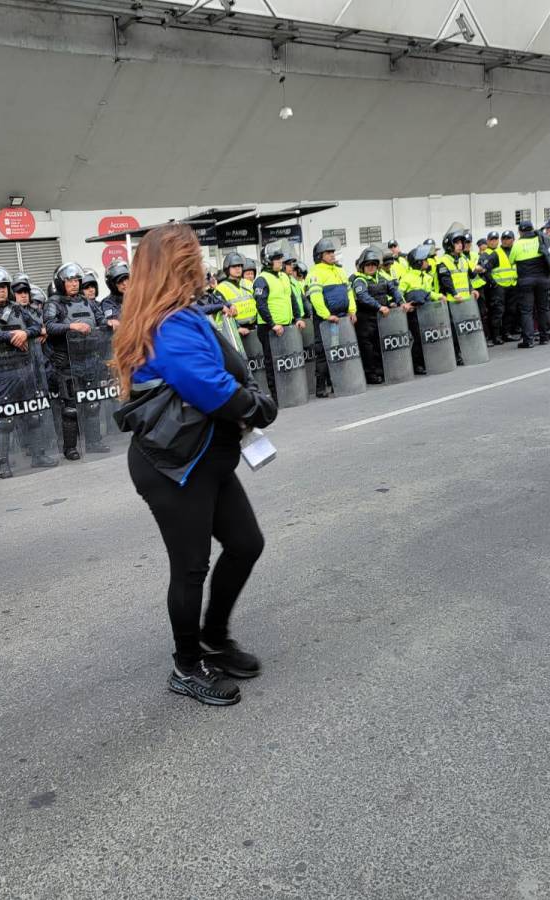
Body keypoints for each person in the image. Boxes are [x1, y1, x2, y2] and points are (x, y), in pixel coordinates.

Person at [111, 224, 275, 706]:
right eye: (195, 259)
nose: (202, 266)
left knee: (246, 543)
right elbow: (207, 385)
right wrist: (253, 406)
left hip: (202, 459)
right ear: (177, 266)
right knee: (189, 568)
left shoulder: (176, 315)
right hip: (175, 466)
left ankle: (213, 637)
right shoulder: (166, 324)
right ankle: (187, 666)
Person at [0, 267, 58, 476]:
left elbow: (38, 328)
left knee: (33, 415)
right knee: (3, 421)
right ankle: (3, 464)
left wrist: (24, 332)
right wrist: (11, 335)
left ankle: (38, 456)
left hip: (23, 371)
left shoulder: (18, 309)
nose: (2, 291)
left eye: (4, 287)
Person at [43, 262, 110, 460]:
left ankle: (94, 441)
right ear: (61, 282)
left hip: (89, 359)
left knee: (92, 404)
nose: (74, 284)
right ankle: (70, 447)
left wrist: (109, 322)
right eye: (69, 280)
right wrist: (72, 326)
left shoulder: (87, 301)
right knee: (70, 409)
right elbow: (49, 326)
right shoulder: (53, 303)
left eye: (76, 280)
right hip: (67, 363)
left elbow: (100, 320)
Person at [306, 236, 357, 397]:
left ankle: (339, 383)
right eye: (328, 253)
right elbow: (315, 297)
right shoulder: (315, 273)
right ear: (320, 256)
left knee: (339, 349)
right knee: (324, 352)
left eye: (332, 252)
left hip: (341, 319)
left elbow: (349, 292)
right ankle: (321, 387)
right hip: (326, 321)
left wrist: (352, 310)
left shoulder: (340, 270)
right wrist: (326, 315)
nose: (332, 255)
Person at [253, 245, 306, 397]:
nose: (280, 261)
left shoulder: (284, 277)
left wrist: (298, 318)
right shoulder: (262, 280)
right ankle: (276, 396)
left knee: (287, 360)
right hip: (269, 328)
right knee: (272, 363)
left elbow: (292, 298)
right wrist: (272, 324)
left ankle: (289, 392)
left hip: (286, 327)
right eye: (277, 259)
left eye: (280, 259)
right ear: (267, 260)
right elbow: (260, 304)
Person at [351, 246, 393, 383]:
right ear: (362, 266)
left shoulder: (381, 278)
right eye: (367, 265)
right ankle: (370, 375)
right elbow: (363, 296)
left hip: (379, 318)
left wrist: (400, 302)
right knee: (367, 348)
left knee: (378, 345)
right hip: (365, 319)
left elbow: (393, 290)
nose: (370, 267)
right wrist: (380, 306)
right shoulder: (359, 280)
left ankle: (381, 371)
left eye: (373, 265)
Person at [397, 244, 439, 375]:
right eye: (425, 260)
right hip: (413, 313)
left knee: (427, 336)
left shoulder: (426, 277)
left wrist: (440, 296)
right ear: (419, 262)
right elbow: (398, 293)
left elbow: (428, 293)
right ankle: (417, 364)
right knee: (418, 337)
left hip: (426, 311)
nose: (427, 262)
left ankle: (426, 361)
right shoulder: (407, 277)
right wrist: (404, 304)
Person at [509, 220, 550, 347]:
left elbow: (511, 260)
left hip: (526, 281)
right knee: (543, 308)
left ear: (520, 232)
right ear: (532, 229)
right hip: (543, 280)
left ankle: (528, 340)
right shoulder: (540, 239)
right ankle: (545, 337)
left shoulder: (517, 244)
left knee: (527, 311)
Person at [101, 261, 129, 330]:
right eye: (120, 281)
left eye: (126, 279)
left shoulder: (136, 298)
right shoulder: (108, 302)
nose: (125, 283)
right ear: (112, 285)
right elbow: (117, 321)